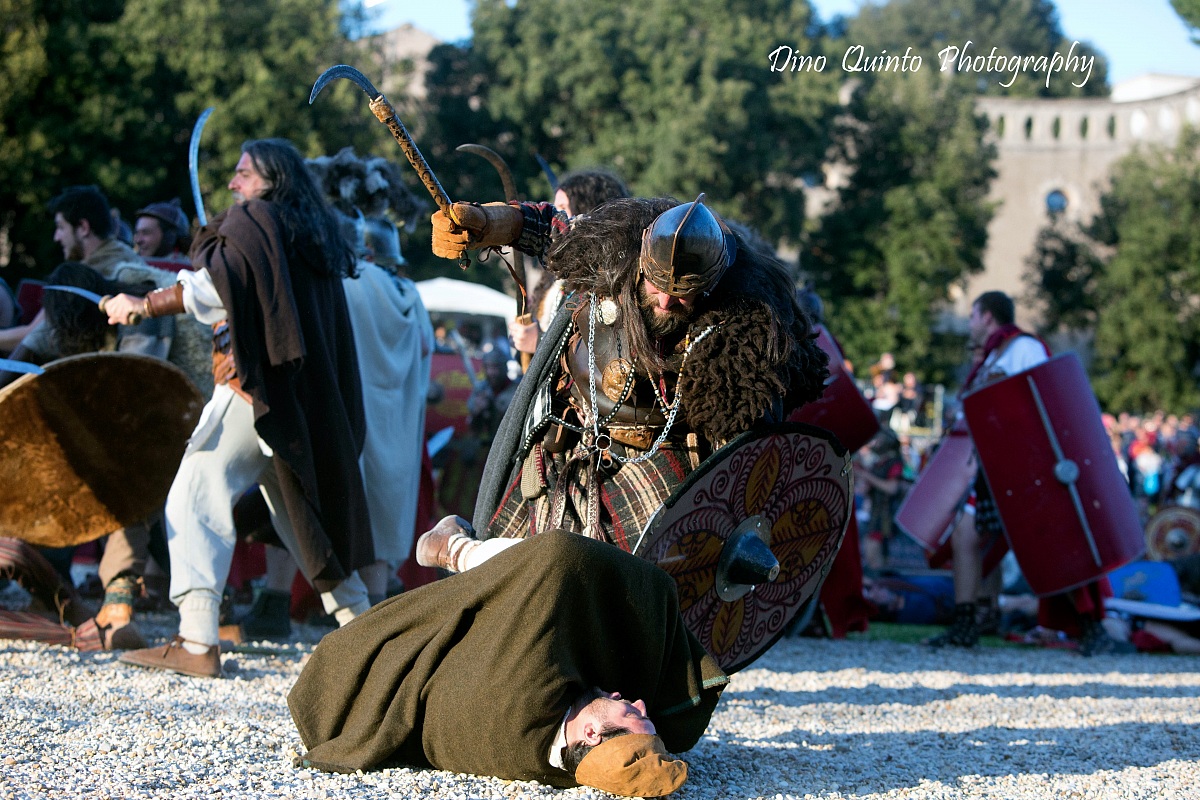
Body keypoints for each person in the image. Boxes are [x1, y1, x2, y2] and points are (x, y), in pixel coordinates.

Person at [103, 138, 374, 677]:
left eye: (244, 173)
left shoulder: (257, 220)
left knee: (193, 493)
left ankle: (197, 640)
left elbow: (217, 287)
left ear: (272, 180)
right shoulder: (309, 234)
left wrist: (143, 304)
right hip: (296, 399)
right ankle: (372, 634)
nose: (233, 183)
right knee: (304, 520)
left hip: (256, 388)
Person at [430, 194, 829, 550]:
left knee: (639, 581)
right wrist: (488, 222)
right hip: (565, 446)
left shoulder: (745, 325)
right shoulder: (616, 248)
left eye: (682, 293)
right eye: (657, 285)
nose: (666, 301)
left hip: (662, 469)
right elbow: (554, 227)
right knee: (515, 579)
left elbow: (752, 434)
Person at [289, 527, 725, 797]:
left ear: (591, 734)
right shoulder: (565, 768)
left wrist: (657, 595)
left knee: (559, 562)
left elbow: (556, 554)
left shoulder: (528, 693)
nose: (639, 703)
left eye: (632, 715)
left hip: (368, 666)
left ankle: (455, 549)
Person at [926, 291, 1128, 655]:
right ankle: (966, 624)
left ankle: (1090, 628)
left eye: (972, 316)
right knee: (964, 536)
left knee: (1052, 544)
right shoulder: (991, 357)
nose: (970, 324)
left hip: (1026, 470)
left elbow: (1043, 398)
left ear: (987, 317)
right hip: (992, 469)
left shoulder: (1024, 348)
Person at [507, 169, 630, 358]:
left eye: (563, 207)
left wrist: (539, 341)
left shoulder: (609, 278)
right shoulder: (554, 275)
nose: (556, 215)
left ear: (586, 210)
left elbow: (602, 350)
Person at [133, 199, 191, 264]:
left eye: (146, 233)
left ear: (169, 236)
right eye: (137, 233)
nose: (138, 240)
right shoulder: (132, 266)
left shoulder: (188, 269)